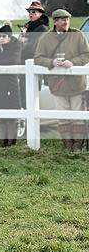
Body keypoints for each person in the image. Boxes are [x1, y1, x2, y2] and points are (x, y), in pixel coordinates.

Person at [33, 9, 89, 152]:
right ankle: (67, 146)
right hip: (57, 84)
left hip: (76, 83)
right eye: (63, 20)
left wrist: (74, 62)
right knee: (62, 116)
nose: (66, 22)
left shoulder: (78, 35)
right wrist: (52, 62)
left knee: (77, 115)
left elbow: (86, 54)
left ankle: (78, 146)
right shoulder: (46, 38)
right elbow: (38, 58)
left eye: (67, 19)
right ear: (55, 22)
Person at [18, 1, 49, 107]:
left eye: (34, 12)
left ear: (41, 14)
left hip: (34, 64)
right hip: (23, 64)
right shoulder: (27, 28)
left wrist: (25, 41)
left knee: (32, 98)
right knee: (23, 97)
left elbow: (34, 47)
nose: (31, 14)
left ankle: (33, 123)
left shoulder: (43, 29)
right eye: (29, 12)